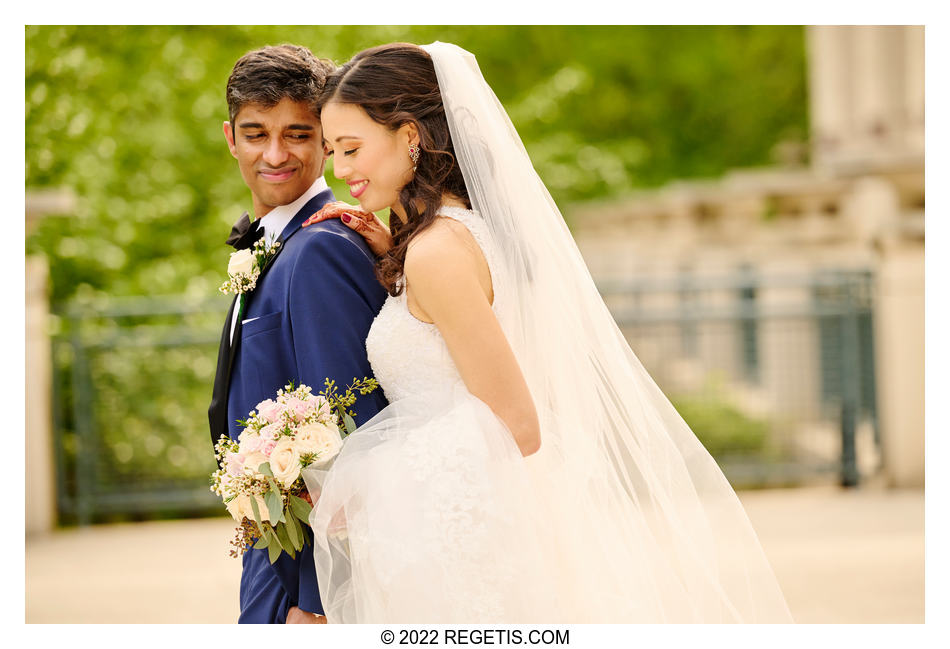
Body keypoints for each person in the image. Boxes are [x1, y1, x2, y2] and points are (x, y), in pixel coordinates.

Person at [302, 42, 793, 623]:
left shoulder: (437, 253)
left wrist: (359, 486)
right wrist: (395, 258)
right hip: (495, 522)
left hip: (467, 545)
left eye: (352, 148)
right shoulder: (467, 232)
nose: (339, 170)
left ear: (411, 134)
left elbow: (517, 424)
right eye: (332, 150)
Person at [207, 44, 388, 624]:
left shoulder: (322, 250)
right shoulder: (279, 246)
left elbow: (357, 437)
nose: (275, 154)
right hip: (270, 562)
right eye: (256, 133)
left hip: (303, 587)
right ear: (230, 137)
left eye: (299, 134)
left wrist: (315, 600)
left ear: (327, 142)